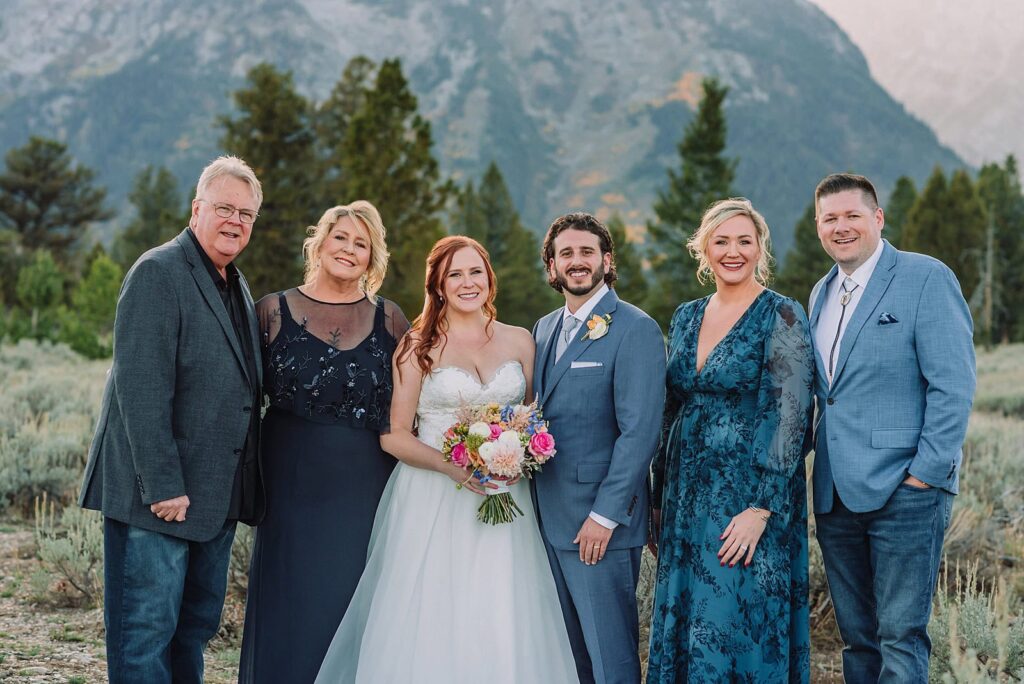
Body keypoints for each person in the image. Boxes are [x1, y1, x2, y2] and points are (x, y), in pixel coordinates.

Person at [314, 235, 578, 683]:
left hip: (505, 500)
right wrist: (455, 467)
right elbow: (394, 437)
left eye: (476, 271)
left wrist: (517, 453)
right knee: (436, 610)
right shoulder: (418, 347)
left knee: (502, 606)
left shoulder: (520, 342)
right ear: (438, 285)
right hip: (435, 498)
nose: (467, 282)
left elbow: (532, 417)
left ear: (489, 280)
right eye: (455, 274)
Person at [78, 156, 264, 682]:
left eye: (246, 214)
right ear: (196, 208)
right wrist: (162, 485)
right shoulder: (158, 272)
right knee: (144, 638)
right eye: (224, 208)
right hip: (159, 499)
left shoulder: (235, 285)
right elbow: (139, 388)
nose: (235, 221)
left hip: (213, 498)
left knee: (192, 634)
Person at [809, 173, 975, 683]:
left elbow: (953, 384)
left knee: (900, 638)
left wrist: (925, 474)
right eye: (829, 219)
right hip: (836, 495)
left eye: (852, 216)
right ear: (818, 226)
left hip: (906, 491)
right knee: (858, 640)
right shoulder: (821, 291)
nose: (841, 227)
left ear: (877, 219)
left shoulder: (925, 277)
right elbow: (829, 395)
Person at [238, 202, 409, 683]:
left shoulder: (391, 319)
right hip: (288, 481)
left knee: (351, 597)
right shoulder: (270, 311)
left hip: (365, 485)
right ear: (320, 242)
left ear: (372, 257)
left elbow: (426, 392)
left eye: (362, 244)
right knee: (289, 600)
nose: (349, 250)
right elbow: (236, 394)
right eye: (341, 238)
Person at [647, 198, 814, 683]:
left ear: (760, 247)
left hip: (748, 498)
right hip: (686, 497)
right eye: (721, 241)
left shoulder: (780, 314)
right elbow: (669, 408)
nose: (733, 251)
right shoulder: (685, 316)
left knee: (735, 622)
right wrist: (659, 498)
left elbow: (793, 417)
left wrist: (761, 508)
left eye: (744, 241)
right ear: (704, 249)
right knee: (690, 625)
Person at [532, 212, 666, 684]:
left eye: (587, 252)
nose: (577, 261)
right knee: (571, 659)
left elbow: (641, 433)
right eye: (565, 253)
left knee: (612, 660)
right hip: (547, 522)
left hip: (599, 527)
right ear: (552, 266)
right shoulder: (544, 329)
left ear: (606, 261)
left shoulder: (636, 329)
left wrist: (605, 516)